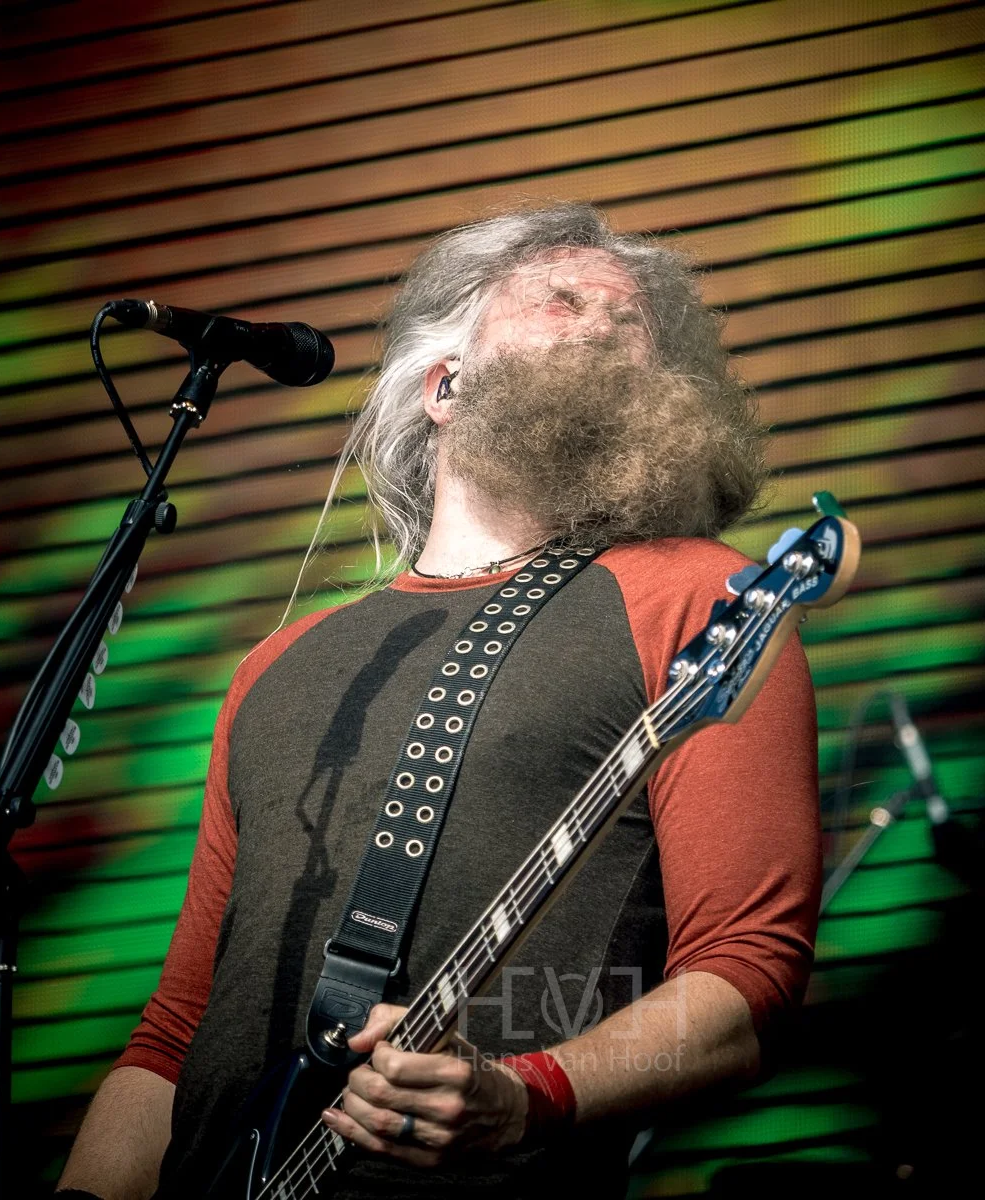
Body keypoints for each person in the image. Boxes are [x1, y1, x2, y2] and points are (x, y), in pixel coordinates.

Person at [56, 204, 821, 1199]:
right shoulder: (277, 664)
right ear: (444, 385)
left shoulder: (701, 596)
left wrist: (526, 1095)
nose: (603, 321)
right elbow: (174, 1037)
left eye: (630, 320)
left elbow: (746, 979)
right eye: (561, 299)